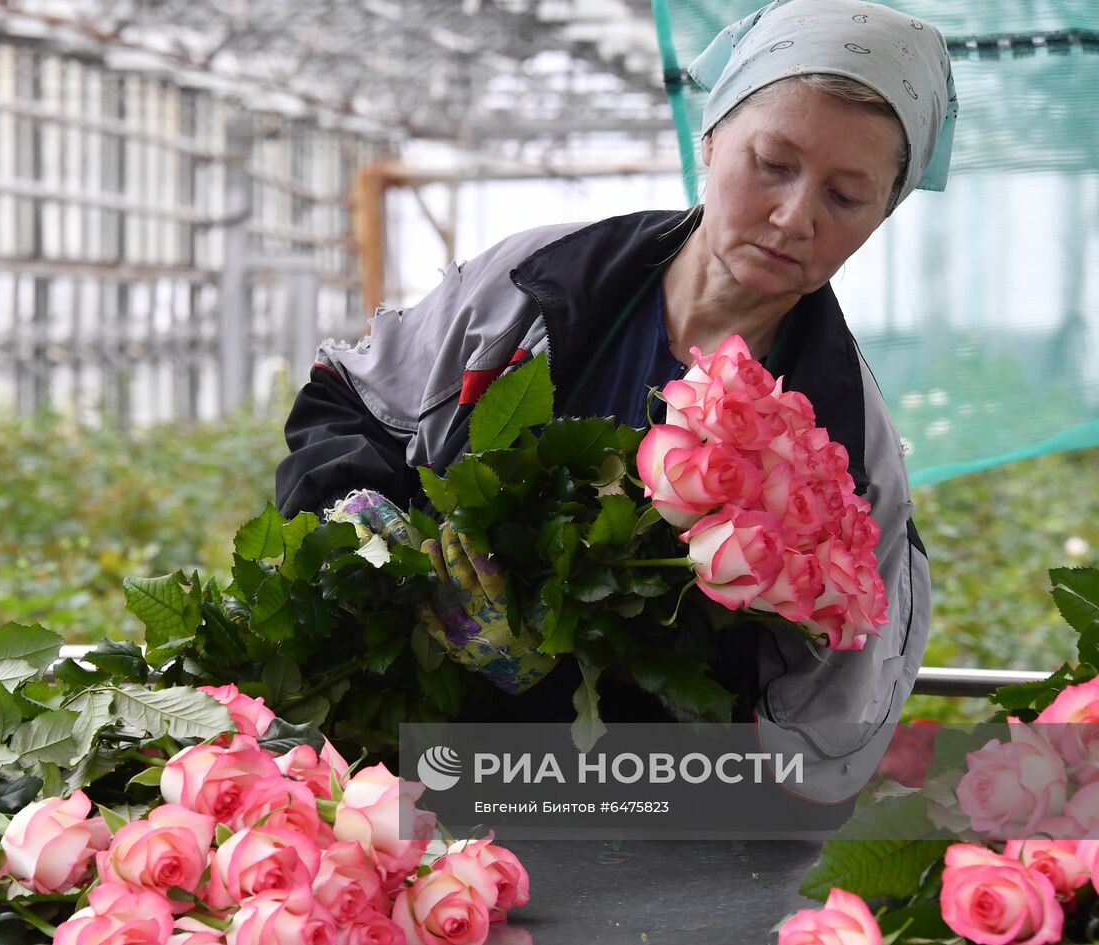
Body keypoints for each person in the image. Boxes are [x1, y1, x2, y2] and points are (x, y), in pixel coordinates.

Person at [275, 0, 957, 802]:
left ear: (884, 214)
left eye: (846, 197)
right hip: (396, 775)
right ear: (711, 136)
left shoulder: (851, 459)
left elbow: (815, 742)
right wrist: (367, 535)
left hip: (626, 823)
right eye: (772, 163)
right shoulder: (531, 287)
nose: (793, 216)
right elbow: (346, 403)